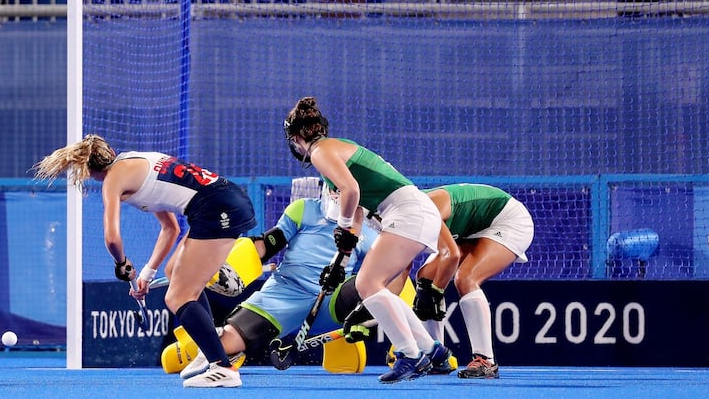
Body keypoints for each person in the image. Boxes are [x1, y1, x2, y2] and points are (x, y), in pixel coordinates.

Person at [33, 134, 256, 388]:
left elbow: (112, 238)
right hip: (223, 198)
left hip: (214, 208)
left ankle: (223, 367)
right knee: (174, 272)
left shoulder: (112, 180)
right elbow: (170, 228)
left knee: (177, 298)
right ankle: (209, 347)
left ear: (89, 169)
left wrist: (122, 263)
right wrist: (146, 275)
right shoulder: (135, 162)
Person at [282, 96, 452, 383]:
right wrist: (342, 259)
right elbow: (357, 211)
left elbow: (351, 192)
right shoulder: (336, 148)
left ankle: (410, 354)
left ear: (296, 137)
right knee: (374, 284)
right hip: (414, 210)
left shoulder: (319, 151)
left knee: (367, 283)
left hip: (408, 211)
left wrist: (344, 227)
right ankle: (432, 351)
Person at [176, 177, 389, 379]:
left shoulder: (370, 235)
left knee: (367, 282)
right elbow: (268, 244)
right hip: (282, 294)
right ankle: (187, 349)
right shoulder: (304, 209)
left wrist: (390, 330)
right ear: (328, 187)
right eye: (338, 188)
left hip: (330, 303)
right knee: (221, 347)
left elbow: (383, 277)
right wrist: (227, 265)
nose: (342, 195)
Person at [413, 183, 534, 379]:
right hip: (471, 228)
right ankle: (436, 358)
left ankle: (486, 361)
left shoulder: (426, 208)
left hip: (507, 220)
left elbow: (450, 255)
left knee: (465, 278)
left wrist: (435, 290)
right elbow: (401, 269)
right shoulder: (401, 220)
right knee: (425, 278)